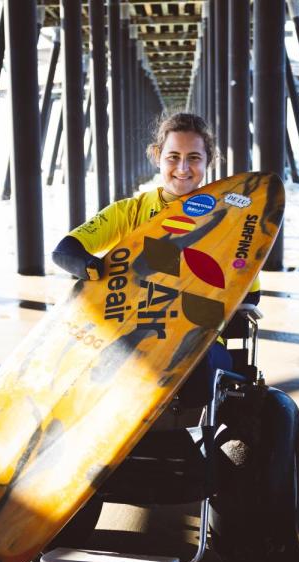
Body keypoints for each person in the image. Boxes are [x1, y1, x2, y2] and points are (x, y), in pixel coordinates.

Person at [51, 112, 260, 407]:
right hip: (128, 336)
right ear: (158, 157)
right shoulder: (130, 212)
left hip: (200, 344)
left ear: (208, 161)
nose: (183, 168)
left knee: (193, 375)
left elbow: (252, 294)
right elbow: (65, 250)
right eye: (173, 157)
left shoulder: (231, 221)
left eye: (194, 158)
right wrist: (98, 269)